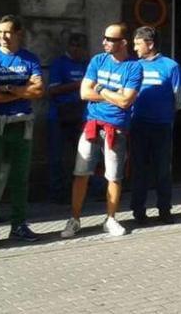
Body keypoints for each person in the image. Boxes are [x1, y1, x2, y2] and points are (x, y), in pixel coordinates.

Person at [61, 23, 143, 238]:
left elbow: (126, 101)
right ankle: (74, 219)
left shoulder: (134, 67)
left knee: (114, 177)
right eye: (104, 38)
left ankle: (111, 219)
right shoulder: (98, 60)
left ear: (124, 42)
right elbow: (84, 93)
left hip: (117, 128)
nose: (105, 42)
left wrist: (100, 88)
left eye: (111, 39)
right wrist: (109, 92)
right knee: (80, 173)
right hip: (92, 124)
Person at [0, 15, 44, 246]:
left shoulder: (29, 58)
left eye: (7, 32)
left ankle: (18, 225)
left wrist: (6, 88)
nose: (3, 37)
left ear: (19, 33)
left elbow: (38, 92)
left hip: (22, 123)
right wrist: (20, 90)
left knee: (20, 178)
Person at [129, 27, 181, 225]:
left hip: (162, 127)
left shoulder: (171, 67)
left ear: (150, 44)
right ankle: (138, 211)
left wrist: (164, 112)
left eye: (138, 43)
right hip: (138, 125)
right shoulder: (133, 66)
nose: (135, 47)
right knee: (139, 169)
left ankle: (164, 210)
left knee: (163, 170)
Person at [46, 33, 88, 203]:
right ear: (68, 46)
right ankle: (57, 193)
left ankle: (86, 189)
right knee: (56, 157)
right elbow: (52, 89)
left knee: (85, 155)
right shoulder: (59, 64)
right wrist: (79, 84)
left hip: (81, 114)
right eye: (73, 45)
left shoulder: (87, 64)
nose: (76, 49)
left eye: (80, 46)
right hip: (59, 115)